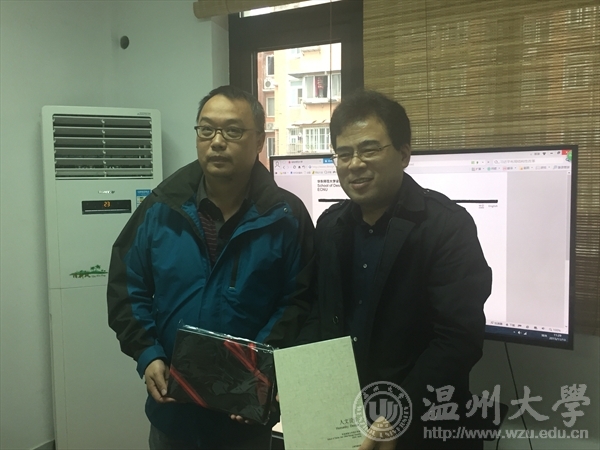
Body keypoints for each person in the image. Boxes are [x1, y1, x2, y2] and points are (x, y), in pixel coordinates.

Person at [107, 85, 314, 449]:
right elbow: (127, 287)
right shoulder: (161, 208)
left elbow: (300, 301)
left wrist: (258, 367)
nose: (217, 142)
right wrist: (147, 353)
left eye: (232, 131)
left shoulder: (286, 216)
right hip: (173, 411)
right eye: (206, 130)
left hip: (245, 414)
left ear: (259, 140)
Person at [296, 90, 492, 449]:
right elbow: (317, 314)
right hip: (343, 420)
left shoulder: (446, 226)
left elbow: (458, 339)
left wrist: (399, 411)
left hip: (422, 423)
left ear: (403, 154)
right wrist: (302, 385)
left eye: (369, 149)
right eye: (343, 153)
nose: (355, 164)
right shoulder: (330, 225)